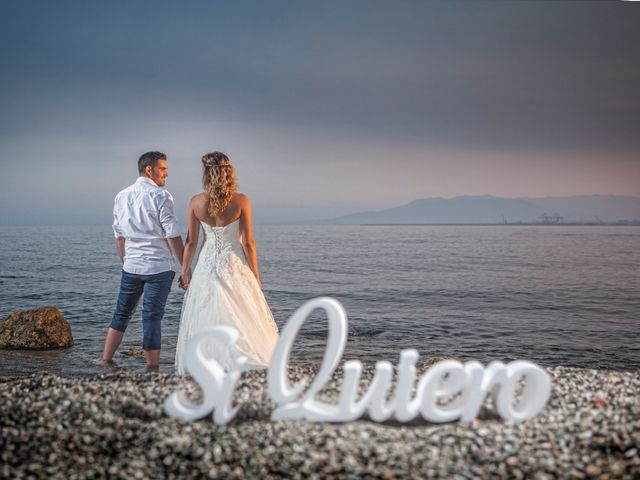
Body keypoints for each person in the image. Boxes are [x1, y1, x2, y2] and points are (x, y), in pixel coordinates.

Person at [174, 151, 279, 375]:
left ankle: (209, 361)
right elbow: (248, 241)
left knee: (207, 309)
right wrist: (255, 275)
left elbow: (191, 242)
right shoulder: (241, 200)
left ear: (205, 173)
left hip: (207, 262)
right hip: (233, 261)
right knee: (240, 310)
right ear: (229, 171)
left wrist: (185, 272)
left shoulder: (195, 201)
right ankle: (243, 357)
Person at [102, 151, 184, 371]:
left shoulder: (121, 196)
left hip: (131, 267)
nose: (167, 173)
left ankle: (105, 360)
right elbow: (172, 234)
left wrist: (125, 262)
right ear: (150, 169)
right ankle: (152, 370)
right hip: (158, 267)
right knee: (152, 317)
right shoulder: (161, 195)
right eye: (163, 168)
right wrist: (186, 266)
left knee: (121, 314)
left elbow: (119, 235)